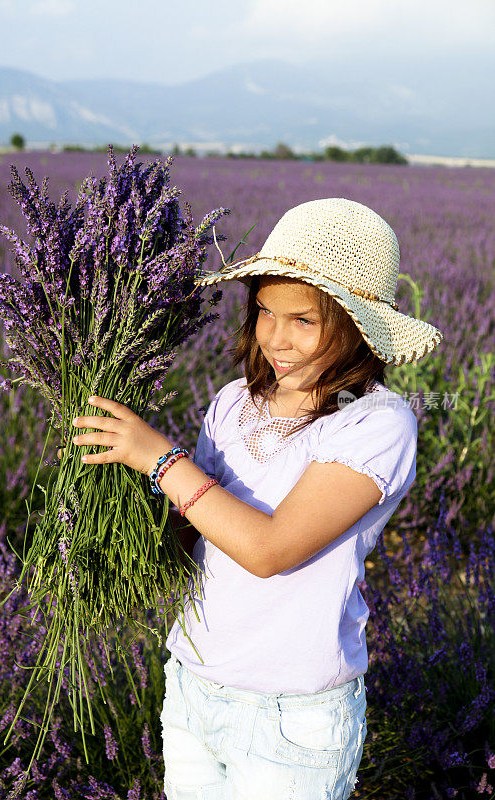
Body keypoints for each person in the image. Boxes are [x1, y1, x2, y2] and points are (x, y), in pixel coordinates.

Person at [68, 198, 443, 799]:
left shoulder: (377, 423)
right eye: (265, 312)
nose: (275, 338)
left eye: (304, 321)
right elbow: (194, 525)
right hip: (193, 685)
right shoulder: (235, 401)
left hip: (290, 719)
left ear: (355, 328)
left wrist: (158, 458)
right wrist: (103, 533)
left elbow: (269, 550)